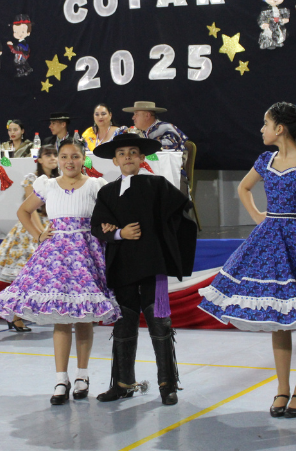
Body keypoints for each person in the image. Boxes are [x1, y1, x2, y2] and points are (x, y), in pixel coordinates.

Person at [197, 102, 296, 418]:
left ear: (280, 128)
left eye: (265, 123)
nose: (261, 129)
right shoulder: (265, 160)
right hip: (270, 240)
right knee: (277, 317)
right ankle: (282, 388)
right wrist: (258, 215)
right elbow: (244, 188)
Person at [0, 141, 119, 405]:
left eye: (75, 156)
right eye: (64, 157)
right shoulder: (47, 186)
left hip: (85, 255)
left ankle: (82, 375)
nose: (69, 161)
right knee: (61, 318)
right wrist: (39, 234)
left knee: (84, 318)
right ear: (58, 159)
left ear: (84, 158)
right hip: (56, 256)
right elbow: (24, 211)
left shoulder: (96, 186)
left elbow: (111, 214)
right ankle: (61, 378)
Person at [90, 133, 197, 406]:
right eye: (122, 153)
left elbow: (182, 209)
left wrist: (163, 236)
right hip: (122, 266)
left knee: (159, 323)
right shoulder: (107, 192)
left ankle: (167, 385)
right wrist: (119, 234)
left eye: (133, 152)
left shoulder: (157, 185)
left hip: (152, 264)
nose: (127, 157)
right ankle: (123, 383)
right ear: (114, 160)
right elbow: (98, 226)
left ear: (141, 158)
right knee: (124, 324)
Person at [0, 144, 60, 330]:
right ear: (39, 159)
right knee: (26, 276)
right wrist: (40, 233)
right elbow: (30, 209)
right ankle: (14, 315)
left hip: (51, 226)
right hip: (32, 229)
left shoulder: (59, 180)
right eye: (47, 155)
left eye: (55, 155)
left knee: (46, 275)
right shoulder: (32, 179)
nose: (52, 158)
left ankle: (42, 313)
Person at [124, 101, 191, 189]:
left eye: (136, 114)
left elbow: (171, 145)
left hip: (171, 175)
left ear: (147, 115)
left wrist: (143, 145)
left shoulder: (166, 128)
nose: (133, 118)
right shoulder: (141, 132)